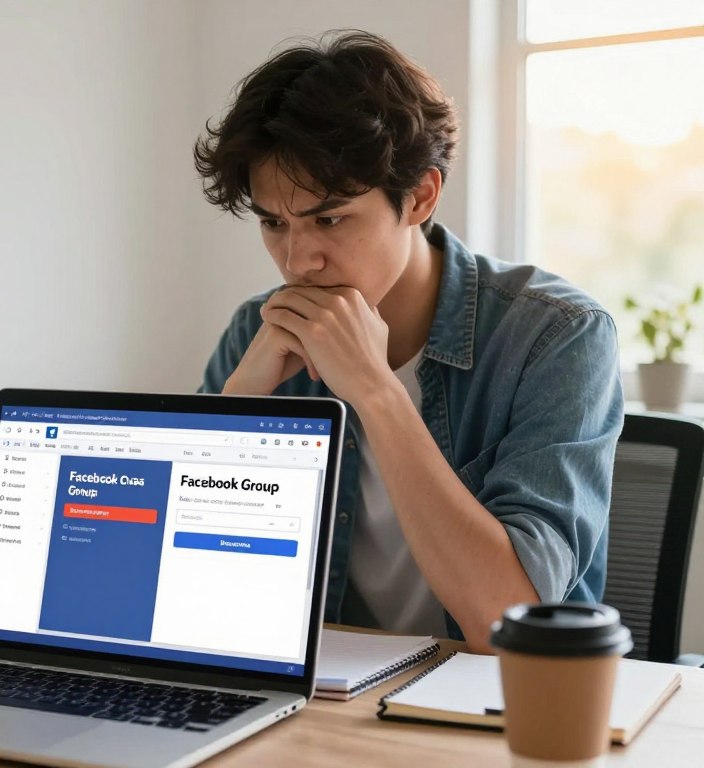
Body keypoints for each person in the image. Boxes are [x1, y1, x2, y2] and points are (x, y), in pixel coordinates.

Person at [194, 30, 623, 653]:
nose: (297, 261)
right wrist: (242, 402)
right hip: (330, 702)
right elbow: (181, 601)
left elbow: (510, 625)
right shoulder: (258, 334)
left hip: (503, 708)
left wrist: (375, 391)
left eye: (330, 218)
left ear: (420, 195)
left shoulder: (557, 336)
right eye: (272, 223)